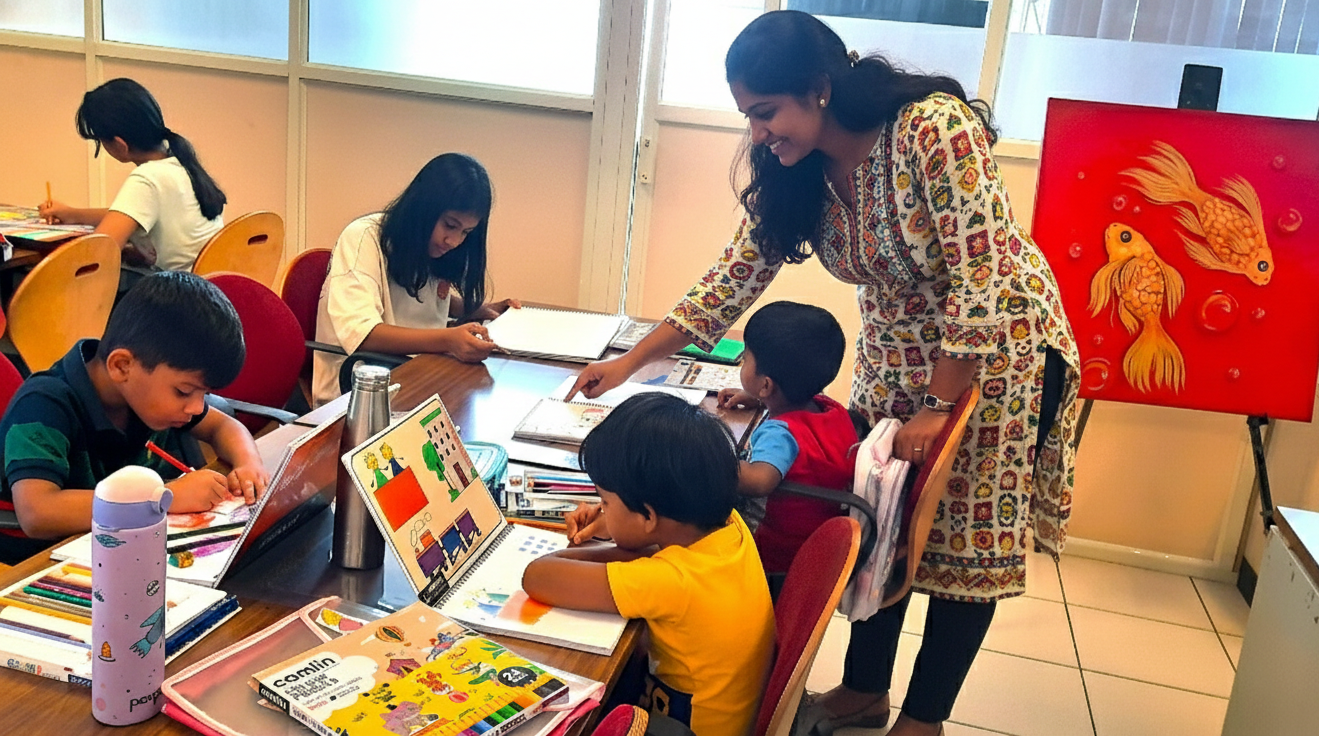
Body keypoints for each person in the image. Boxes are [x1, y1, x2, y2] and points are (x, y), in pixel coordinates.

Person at [567, 11, 1080, 736]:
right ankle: (866, 689)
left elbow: (981, 271)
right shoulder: (794, 171)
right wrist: (628, 362)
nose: (757, 134)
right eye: (747, 115)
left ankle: (923, 720)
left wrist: (939, 402)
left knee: (963, 545)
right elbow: (733, 276)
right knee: (881, 516)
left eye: (765, 112)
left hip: (998, 349)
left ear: (819, 88)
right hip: (895, 353)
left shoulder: (932, 129)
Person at [523, 393, 775, 736]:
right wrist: (623, 525)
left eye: (605, 501)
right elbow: (656, 540)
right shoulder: (728, 524)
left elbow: (538, 575)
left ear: (649, 515)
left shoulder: (671, 579)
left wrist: (614, 537)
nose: (601, 509)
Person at [0, 272, 270, 565]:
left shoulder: (143, 396)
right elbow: (37, 513)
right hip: (36, 563)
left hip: (114, 544)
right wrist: (163, 498)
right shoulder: (44, 404)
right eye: (184, 391)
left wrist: (248, 464)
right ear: (122, 366)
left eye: (203, 395)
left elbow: (223, 425)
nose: (195, 407)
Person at [313, 153, 520, 406]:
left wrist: (475, 309)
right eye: (450, 225)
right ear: (423, 209)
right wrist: (448, 340)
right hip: (356, 397)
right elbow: (364, 335)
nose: (454, 241)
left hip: (418, 374)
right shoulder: (363, 238)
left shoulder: (429, 246)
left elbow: (417, 294)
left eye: (466, 232)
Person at [715, 300, 853, 579]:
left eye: (745, 358)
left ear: (766, 384)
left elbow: (759, 481)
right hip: (816, 545)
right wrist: (762, 400)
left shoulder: (780, 433)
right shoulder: (830, 409)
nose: (743, 361)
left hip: (772, 556)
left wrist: (706, 459)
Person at [39, 78, 226, 274]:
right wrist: (72, 214)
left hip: (181, 297)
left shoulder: (148, 178)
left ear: (120, 145)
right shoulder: (181, 163)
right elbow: (127, 214)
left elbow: (98, 255)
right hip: (213, 290)